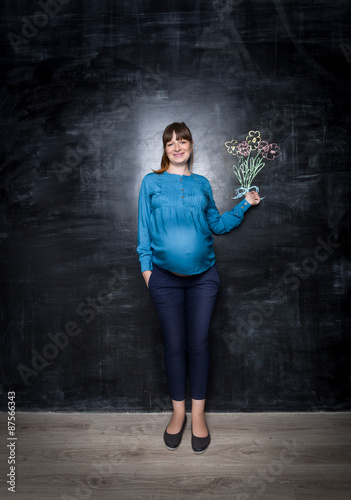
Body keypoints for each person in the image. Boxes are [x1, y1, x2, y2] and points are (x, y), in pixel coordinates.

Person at [137, 122, 260, 454]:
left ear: (191, 145)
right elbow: (144, 232)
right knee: (174, 346)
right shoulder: (151, 182)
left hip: (204, 278)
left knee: (199, 344)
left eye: (183, 141)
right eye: (171, 142)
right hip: (164, 279)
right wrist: (148, 273)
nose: (177, 146)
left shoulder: (202, 184)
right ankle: (178, 413)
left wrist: (244, 204)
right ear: (165, 149)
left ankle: (199, 416)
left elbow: (217, 225)